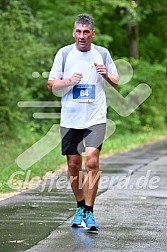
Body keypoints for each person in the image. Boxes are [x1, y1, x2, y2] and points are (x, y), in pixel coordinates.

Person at [48, 14, 119, 231]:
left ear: (92, 34)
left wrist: (106, 74)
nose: (82, 36)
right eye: (78, 31)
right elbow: (51, 85)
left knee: (92, 162)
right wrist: (68, 81)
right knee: (73, 165)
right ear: (73, 33)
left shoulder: (103, 53)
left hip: (95, 118)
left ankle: (89, 210)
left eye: (86, 32)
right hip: (70, 118)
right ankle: (79, 206)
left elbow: (116, 83)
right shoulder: (64, 53)